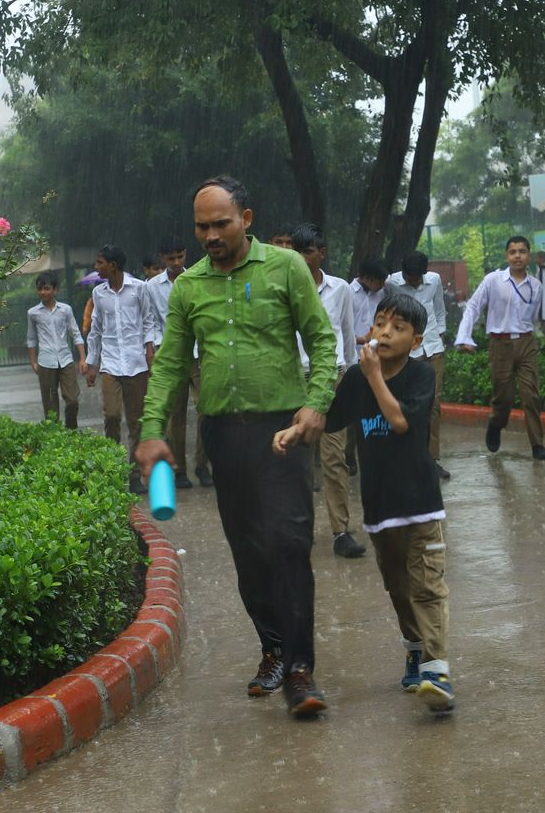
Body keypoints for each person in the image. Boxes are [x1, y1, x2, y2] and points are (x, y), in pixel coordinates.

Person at [136, 177, 337, 717]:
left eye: (220, 224)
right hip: (224, 434)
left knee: (289, 543)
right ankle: (273, 647)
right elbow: (171, 365)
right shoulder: (189, 287)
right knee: (249, 552)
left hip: (282, 430)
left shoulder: (286, 267)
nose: (210, 235)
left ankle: (299, 669)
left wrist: (317, 402)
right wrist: (152, 430)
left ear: (246, 219)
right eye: (201, 227)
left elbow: (322, 339)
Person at [273, 291, 455, 713]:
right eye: (381, 323)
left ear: (416, 340)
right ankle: (415, 648)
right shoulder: (356, 378)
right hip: (380, 509)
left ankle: (437, 670)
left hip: (421, 503)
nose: (386, 332)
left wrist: (373, 376)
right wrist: (293, 430)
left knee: (427, 586)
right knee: (399, 589)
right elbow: (327, 419)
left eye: (398, 327)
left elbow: (400, 422)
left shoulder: (420, 376)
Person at [290, 223, 363, 559]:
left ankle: (341, 531)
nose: (302, 258)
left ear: (322, 253)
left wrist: (347, 374)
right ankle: (298, 529)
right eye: (297, 251)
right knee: (297, 459)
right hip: (294, 379)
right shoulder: (283, 286)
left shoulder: (340, 289)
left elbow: (346, 332)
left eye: (308, 251)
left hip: (332, 377)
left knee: (334, 459)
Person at [456, 236, 545, 461]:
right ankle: (496, 423)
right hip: (500, 344)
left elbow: (536, 317)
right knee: (503, 398)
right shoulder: (493, 280)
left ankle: (537, 445)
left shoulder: (536, 286)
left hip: (527, 343)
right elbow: (473, 306)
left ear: (529, 255)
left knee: (531, 396)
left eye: (522, 251)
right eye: (512, 252)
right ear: (507, 256)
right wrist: (464, 336)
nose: (517, 256)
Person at [86, 245, 159, 492]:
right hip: (110, 363)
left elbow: (148, 320)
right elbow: (96, 328)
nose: (96, 267)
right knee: (112, 416)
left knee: (136, 421)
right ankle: (114, 470)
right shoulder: (98, 293)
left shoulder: (139, 288)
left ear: (113, 265)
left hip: (136, 363)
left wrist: (149, 348)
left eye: (100, 263)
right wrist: (92, 363)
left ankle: (135, 475)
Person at [146, 236, 212, 489]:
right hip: (171, 353)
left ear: (185, 255)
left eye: (180, 257)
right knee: (176, 416)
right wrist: (153, 349)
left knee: (206, 409)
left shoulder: (196, 278)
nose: (176, 262)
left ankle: (202, 465)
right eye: (171, 258)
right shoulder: (152, 286)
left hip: (197, 353)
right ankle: (179, 470)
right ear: (162, 258)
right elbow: (151, 320)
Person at [387, 251, 450, 479]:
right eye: (409, 277)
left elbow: (439, 309)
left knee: (433, 404)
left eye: (416, 278)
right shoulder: (391, 284)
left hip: (432, 348)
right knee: (405, 404)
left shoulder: (434, 280)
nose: (412, 281)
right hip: (406, 353)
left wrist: (440, 335)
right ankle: (405, 457)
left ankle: (431, 459)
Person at [26, 271, 87, 428]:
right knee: (50, 407)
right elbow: (31, 338)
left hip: (66, 360)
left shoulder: (65, 310)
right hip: (45, 362)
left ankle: (71, 430)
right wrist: (33, 362)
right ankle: (54, 436)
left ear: (55, 290)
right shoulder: (33, 313)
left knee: (72, 400)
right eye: (39, 289)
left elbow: (75, 334)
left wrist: (82, 358)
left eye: (46, 288)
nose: (42, 292)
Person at [347, 258, 389, 475]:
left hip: (376, 356)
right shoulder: (347, 293)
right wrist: (360, 339)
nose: (382, 285)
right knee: (354, 408)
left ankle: (372, 450)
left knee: (374, 406)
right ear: (365, 278)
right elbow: (340, 328)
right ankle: (348, 453)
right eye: (378, 281)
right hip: (353, 357)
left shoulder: (381, 294)